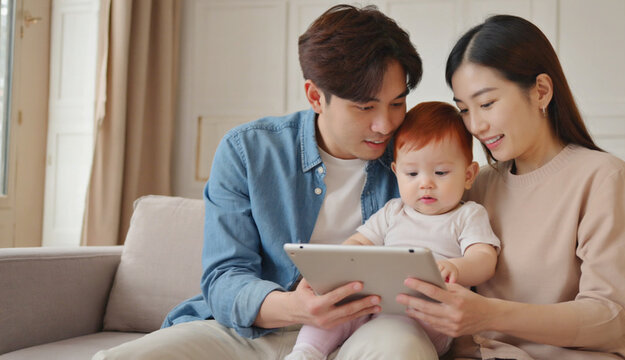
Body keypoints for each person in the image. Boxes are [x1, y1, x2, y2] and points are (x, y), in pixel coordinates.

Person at [94, 4, 431, 359]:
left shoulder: (422, 156)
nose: (385, 125)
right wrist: (296, 308)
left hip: (367, 332)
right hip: (256, 330)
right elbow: (224, 277)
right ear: (316, 97)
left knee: (401, 348)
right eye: (365, 108)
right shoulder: (248, 151)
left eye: (397, 103)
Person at [394, 15, 625, 359]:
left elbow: (608, 315)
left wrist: (490, 314)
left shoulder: (603, 177)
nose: (476, 125)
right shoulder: (475, 186)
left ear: (541, 91)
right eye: (464, 110)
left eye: (487, 104)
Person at [286, 102, 501, 360]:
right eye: (412, 173)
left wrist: (456, 268)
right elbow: (360, 241)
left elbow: (484, 259)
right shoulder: (393, 211)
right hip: (376, 304)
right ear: (397, 173)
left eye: (441, 172)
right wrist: (342, 260)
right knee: (337, 306)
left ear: (468, 175)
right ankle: (305, 352)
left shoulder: (467, 215)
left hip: (429, 317)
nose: (425, 183)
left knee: (396, 330)